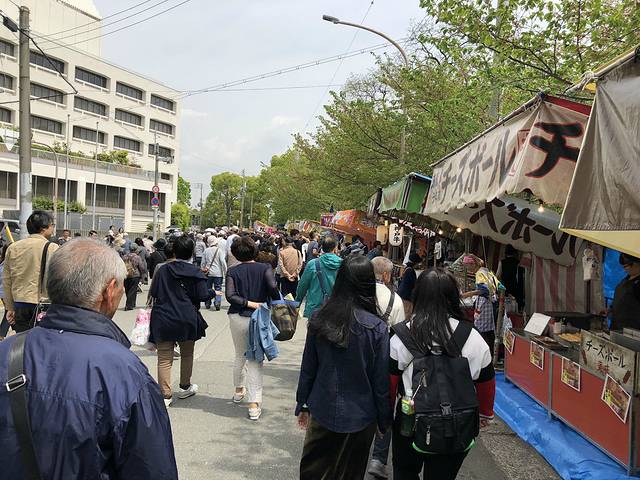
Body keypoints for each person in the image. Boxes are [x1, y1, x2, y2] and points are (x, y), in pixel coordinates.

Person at [0, 238, 178, 479]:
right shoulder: (126, 373)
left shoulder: (7, 351)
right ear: (109, 291)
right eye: (121, 286)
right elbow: (152, 468)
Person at [390, 268, 496, 480]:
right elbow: (486, 382)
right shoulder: (473, 337)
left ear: (418, 295)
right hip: (457, 422)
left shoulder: (402, 335)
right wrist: (485, 414)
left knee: (404, 471)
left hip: (409, 420)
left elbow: (390, 383)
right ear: (454, 297)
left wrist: (384, 417)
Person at [296, 256, 390, 480]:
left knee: (313, 471)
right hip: (361, 414)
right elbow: (380, 381)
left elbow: (308, 367)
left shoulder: (320, 318)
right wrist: (383, 419)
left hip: (322, 406)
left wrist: (303, 403)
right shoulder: (377, 328)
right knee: (351, 473)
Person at [149, 235, 212, 407]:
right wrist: (213, 292)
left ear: (174, 251)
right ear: (192, 252)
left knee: (164, 358)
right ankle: (185, 386)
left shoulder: (163, 270)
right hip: (186, 317)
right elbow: (203, 295)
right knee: (187, 353)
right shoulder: (195, 272)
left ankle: (165, 395)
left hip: (163, 316)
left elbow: (154, 292)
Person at [225, 236, 280, 421]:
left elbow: (230, 296)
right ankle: (254, 405)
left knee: (239, 355)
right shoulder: (264, 268)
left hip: (237, 317)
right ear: (254, 251)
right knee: (255, 359)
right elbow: (273, 289)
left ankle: (238, 390)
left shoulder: (232, 271)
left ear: (235, 253)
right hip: (258, 318)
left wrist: (247, 302)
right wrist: (260, 302)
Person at [367, 256, 405, 478]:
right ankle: (378, 459)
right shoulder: (396, 300)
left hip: (359, 356)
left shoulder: (360, 292)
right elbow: (399, 334)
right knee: (385, 405)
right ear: (387, 275)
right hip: (385, 358)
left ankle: (355, 449)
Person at [3, 211, 59, 333]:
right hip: (43, 304)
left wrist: (10, 307)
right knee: (42, 340)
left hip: (19, 303)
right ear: (44, 228)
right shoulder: (52, 248)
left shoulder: (13, 247)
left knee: (23, 339)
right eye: (52, 225)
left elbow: (7, 280)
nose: (53, 228)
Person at [296, 236, 343, 319]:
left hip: (314, 309)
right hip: (334, 309)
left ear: (321, 247)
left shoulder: (313, 264)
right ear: (335, 248)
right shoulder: (343, 265)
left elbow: (303, 286)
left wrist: (297, 302)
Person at [610, 253, 640, 331]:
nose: (624, 269)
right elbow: (620, 299)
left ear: (636, 263)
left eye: (626, 266)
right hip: (616, 326)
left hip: (631, 330)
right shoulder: (626, 278)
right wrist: (610, 309)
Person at [201, 235, 227, 310]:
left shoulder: (206, 251)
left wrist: (203, 269)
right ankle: (217, 302)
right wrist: (225, 271)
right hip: (218, 273)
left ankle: (207, 303)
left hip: (208, 273)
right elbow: (223, 262)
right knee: (218, 288)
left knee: (208, 288)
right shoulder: (219, 250)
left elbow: (203, 262)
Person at [496, 245, 525, 311]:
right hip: (516, 290)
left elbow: (497, 276)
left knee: (504, 308)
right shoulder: (518, 263)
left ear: (506, 253)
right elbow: (522, 279)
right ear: (514, 253)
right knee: (515, 309)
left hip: (505, 289)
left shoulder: (502, 262)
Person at [397, 253, 422, 320]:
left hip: (402, 293)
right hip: (406, 295)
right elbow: (413, 284)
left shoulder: (407, 268)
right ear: (415, 263)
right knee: (406, 313)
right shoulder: (410, 271)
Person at [122, 243, 146, 311]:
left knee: (127, 290)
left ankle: (132, 303)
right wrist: (143, 274)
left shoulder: (124, 257)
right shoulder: (137, 257)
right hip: (135, 275)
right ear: (136, 249)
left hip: (126, 275)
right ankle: (129, 305)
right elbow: (141, 267)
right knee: (133, 290)